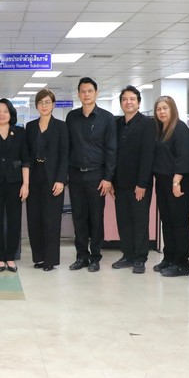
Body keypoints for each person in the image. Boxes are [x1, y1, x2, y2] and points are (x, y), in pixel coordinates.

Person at [65, 77, 116, 272]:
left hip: (97, 176)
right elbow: (67, 147)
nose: (86, 94)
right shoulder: (72, 117)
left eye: (90, 91)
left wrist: (108, 178)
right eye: (83, 91)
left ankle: (95, 257)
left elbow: (111, 150)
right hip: (75, 175)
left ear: (96, 93)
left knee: (96, 218)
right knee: (78, 218)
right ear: (78, 94)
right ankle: (81, 256)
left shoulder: (107, 118)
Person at [0, 99, 29, 272]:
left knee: (14, 222)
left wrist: (26, 184)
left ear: (11, 114)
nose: (1, 114)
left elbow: (25, 160)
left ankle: (10, 257)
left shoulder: (20, 132)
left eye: (5, 111)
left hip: (15, 182)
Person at [112, 85, 156, 274]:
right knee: (124, 221)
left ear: (138, 102)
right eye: (124, 99)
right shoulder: (117, 124)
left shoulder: (147, 124)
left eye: (132, 99)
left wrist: (142, 184)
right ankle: (127, 254)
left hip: (139, 184)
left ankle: (140, 258)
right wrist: (111, 181)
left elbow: (147, 155)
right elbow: (112, 154)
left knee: (140, 222)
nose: (128, 102)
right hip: (120, 184)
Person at [25, 89, 68, 271]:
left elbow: (65, 155)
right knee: (34, 218)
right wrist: (25, 182)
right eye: (41, 102)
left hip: (53, 178)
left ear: (53, 105)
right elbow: (26, 155)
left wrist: (61, 180)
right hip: (34, 176)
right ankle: (39, 257)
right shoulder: (30, 127)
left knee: (51, 220)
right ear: (36, 105)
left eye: (47, 102)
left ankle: (50, 259)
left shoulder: (61, 126)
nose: (44, 105)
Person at [152, 96, 189, 277]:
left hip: (177, 182)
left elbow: (184, 157)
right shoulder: (161, 129)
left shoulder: (180, 129)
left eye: (165, 108)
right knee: (167, 221)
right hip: (162, 181)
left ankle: (182, 263)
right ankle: (168, 257)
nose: (162, 112)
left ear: (172, 109)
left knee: (179, 222)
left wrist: (176, 182)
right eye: (159, 109)